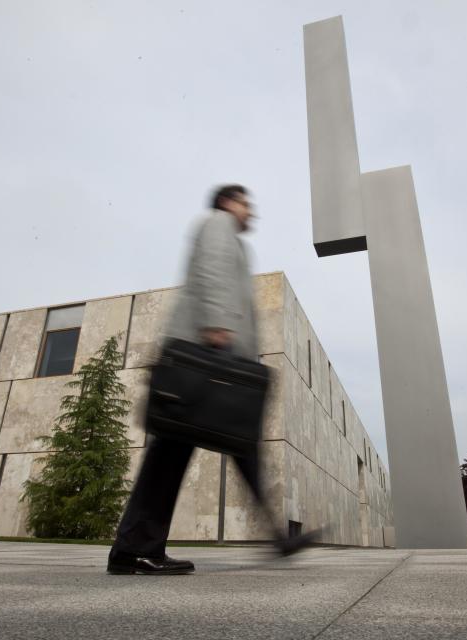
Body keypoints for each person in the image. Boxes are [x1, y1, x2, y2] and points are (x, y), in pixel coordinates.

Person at [107, 184, 314, 575]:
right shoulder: (218, 225)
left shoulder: (230, 236)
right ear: (226, 203)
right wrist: (217, 324)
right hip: (208, 357)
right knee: (178, 454)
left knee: (232, 448)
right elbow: (212, 267)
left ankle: (135, 549)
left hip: (214, 361)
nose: (250, 211)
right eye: (245, 203)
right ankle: (134, 550)